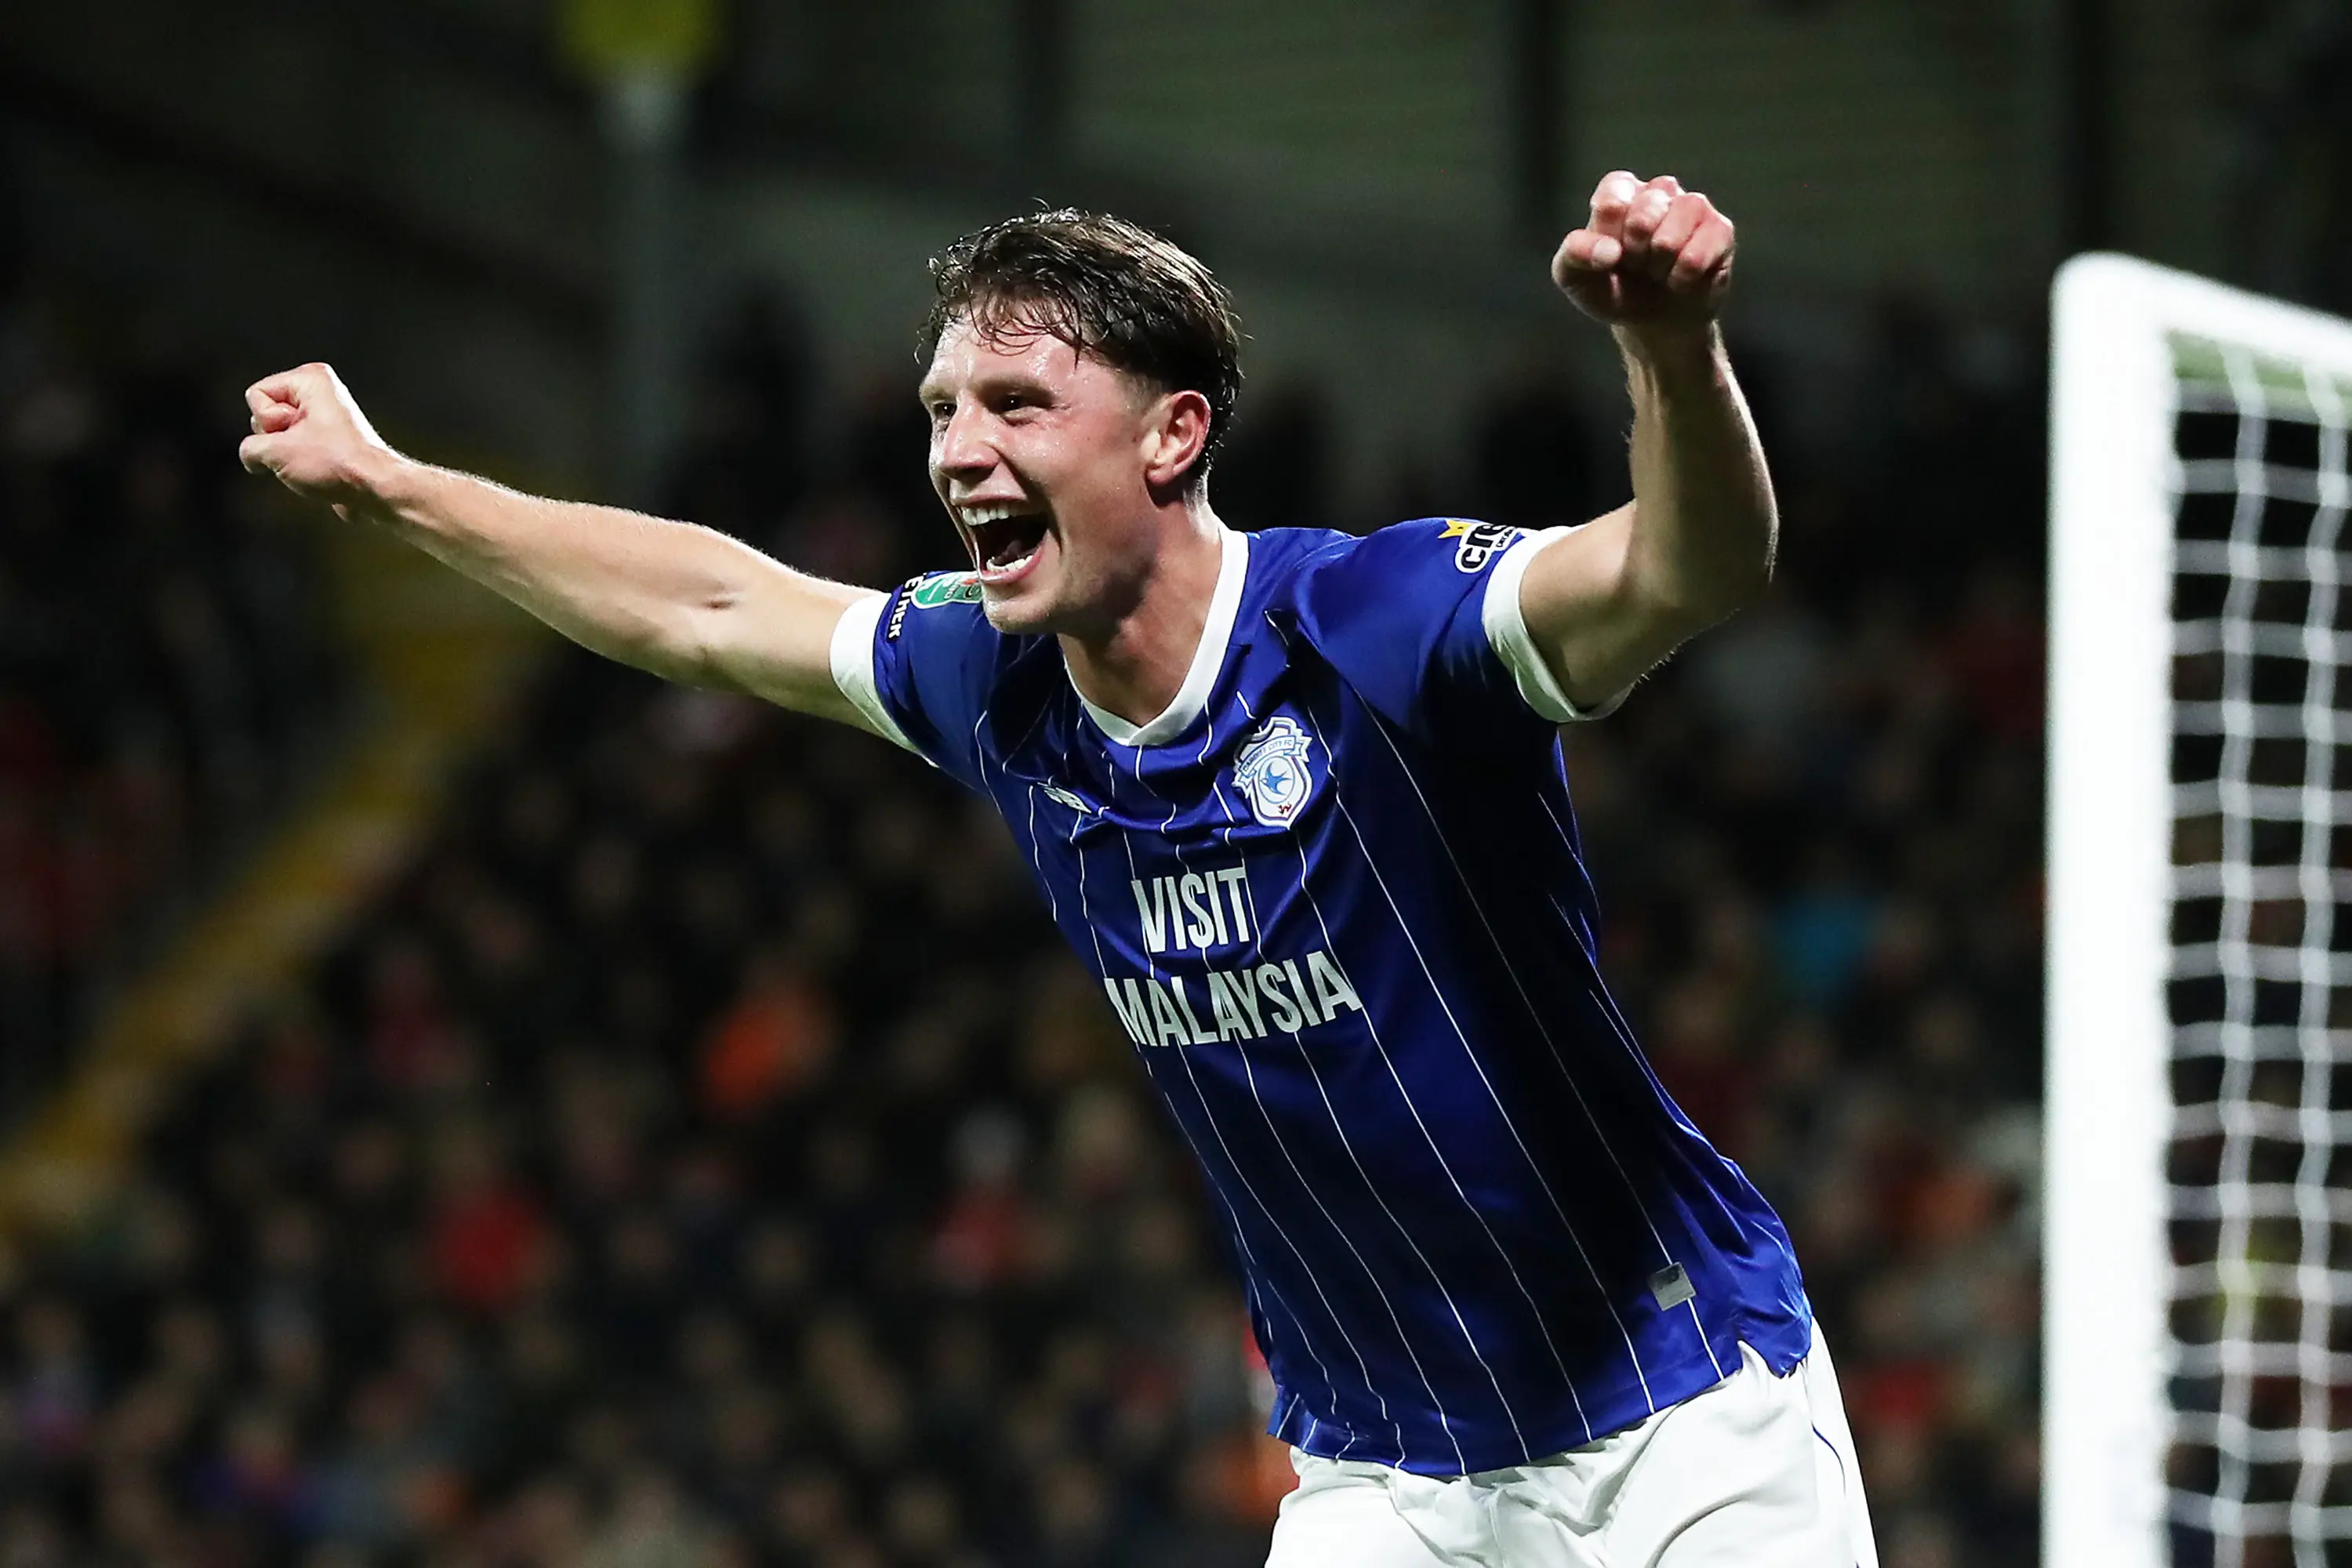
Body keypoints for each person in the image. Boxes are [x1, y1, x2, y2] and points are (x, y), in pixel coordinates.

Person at [241, 170, 1878, 1568]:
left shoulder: (1373, 627)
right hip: (1389, 1473)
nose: (960, 448)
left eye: (1018, 405)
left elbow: (1691, 569)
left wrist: (1671, 345)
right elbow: (717, 607)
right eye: (946, 407)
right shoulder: (996, 679)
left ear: (1173, 435)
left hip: (1675, 1411)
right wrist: (397, 489)